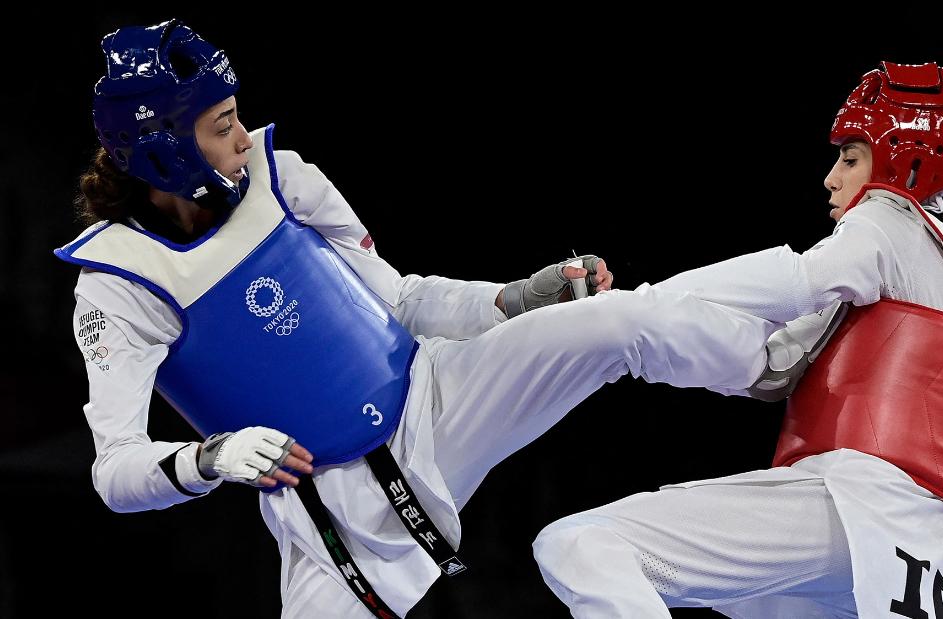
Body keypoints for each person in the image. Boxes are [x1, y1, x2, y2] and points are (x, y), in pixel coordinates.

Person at [56, 20, 783, 618]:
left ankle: (770, 360)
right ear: (163, 150)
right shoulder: (121, 285)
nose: (245, 136)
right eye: (223, 126)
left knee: (622, 320)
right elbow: (115, 471)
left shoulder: (285, 178)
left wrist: (513, 299)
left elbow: (400, 299)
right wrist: (208, 458)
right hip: (336, 512)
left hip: (439, 397)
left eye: (238, 116)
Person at [533, 61, 943, 618]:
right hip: (920, 552)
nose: (831, 178)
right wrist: (622, 328)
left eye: (850, 158)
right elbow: (769, 365)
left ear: (901, 167)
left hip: (850, 505)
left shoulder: (889, 221)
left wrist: (631, 306)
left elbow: (794, 284)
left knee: (582, 546)